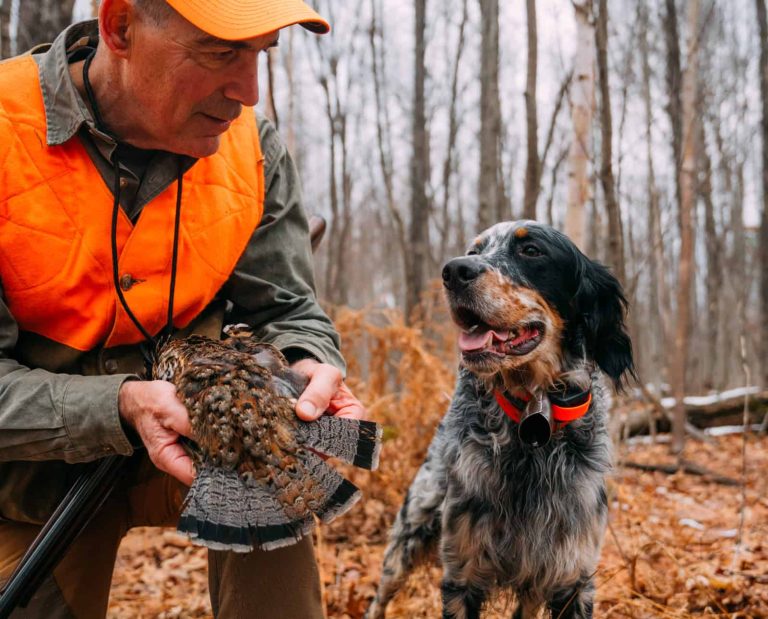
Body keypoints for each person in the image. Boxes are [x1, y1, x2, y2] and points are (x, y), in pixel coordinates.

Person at [0, 0, 366, 617]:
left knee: (277, 474)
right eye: (222, 52)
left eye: (260, 55)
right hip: (29, 476)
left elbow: (291, 309)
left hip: (208, 439)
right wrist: (120, 405)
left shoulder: (251, 148)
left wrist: (307, 364)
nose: (248, 93)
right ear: (120, 27)